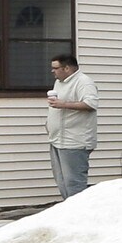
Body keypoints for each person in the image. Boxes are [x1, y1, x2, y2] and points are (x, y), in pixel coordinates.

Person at [45, 53, 98, 200]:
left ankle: (79, 212)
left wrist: (63, 104)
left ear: (67, 68)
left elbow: (91, 104)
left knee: (74, 183)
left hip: (74, 142)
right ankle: (68, 210)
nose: (52, 71)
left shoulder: (84, 82)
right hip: (57, 140)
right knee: (62, 181)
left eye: (55, 68)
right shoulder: (59, 82)